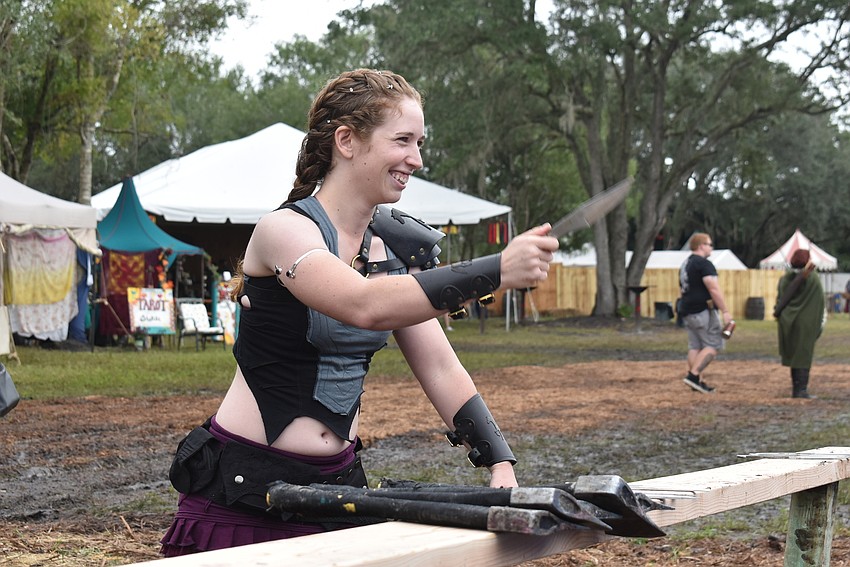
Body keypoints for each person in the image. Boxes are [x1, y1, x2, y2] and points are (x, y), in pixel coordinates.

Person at [160, 68, 559, 556]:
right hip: (246, 499)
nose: (416, 159)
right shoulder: (283, 231)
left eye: (420, 142)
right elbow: (361, 305)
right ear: (346, 140)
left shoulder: (395, 247)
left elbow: (438, 364)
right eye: (403, 141)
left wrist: (500, 463)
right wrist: (496, 268)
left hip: (338, 491)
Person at [678, 233, 733, 393]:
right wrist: (725, 311)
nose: (711, 248)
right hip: (702, 310)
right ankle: (693, 376)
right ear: (701, 245)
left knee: (695, 346)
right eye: (709, 244)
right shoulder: (704, 264)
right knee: (713, 344)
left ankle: (697, 382)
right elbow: (713, 288)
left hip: (687, 309)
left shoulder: (686, 264)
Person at [775, 249, 824, 398]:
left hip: (788, 319)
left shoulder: (785, 279)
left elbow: (782, 296)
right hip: (806, 321)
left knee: (796, 354)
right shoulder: (812, 279)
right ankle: (800, 390)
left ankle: (797, 389)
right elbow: (819, 301)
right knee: (803, 354)